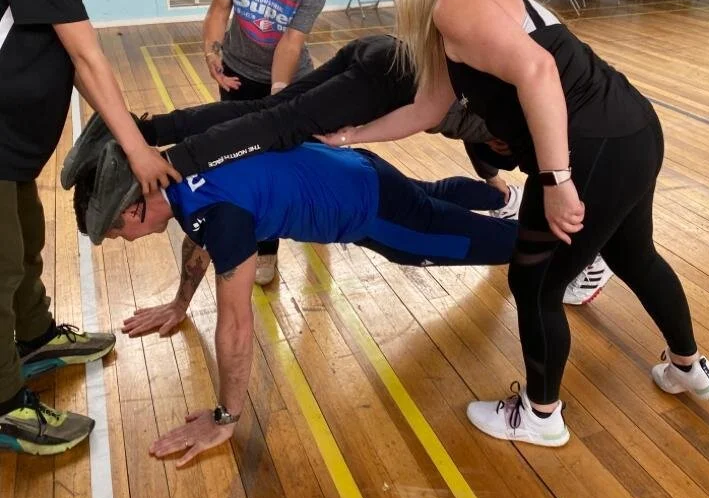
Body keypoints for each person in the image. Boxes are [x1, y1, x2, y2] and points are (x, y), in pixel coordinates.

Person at [317, 0, 709, 448]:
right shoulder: (472, 1)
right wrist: (351, 136)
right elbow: (429, 106)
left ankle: (540, 414)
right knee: (633, 254)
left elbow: (538, 73)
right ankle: (688, 365)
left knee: (535, 284)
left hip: (592, 149)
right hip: (632, 130)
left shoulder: (454, 5)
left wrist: (557, 180)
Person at [62, 34, 614, 303]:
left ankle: (580, 256)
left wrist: (172, 158)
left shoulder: (498, 124)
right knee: (269, 117)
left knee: (274, 120)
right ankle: (145, 128)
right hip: (379, 74)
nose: (124, 239)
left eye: (119, 230)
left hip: (380, 78)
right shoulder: (484, 125)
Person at [73, 139, 520, 465]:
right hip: (356, 168)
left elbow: (235, 328)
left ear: (132, 210)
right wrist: (179, 304)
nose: (123, 241)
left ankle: (569, 242)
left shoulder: (221, 218)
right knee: (429, 198)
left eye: (115, 233)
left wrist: (224, 419)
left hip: (366, 211)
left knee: (478, 244)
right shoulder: (183, 169)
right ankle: (508, 197)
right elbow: (201, 236)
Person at [0, 0, 180, 456]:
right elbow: (86, 53)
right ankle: (3, 406)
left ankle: (36, 338)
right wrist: (135, 147)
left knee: (23, 243)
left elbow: (66, 53)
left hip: (15, 135)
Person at [203, 0, 326, 285]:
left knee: (279, 162)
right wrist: (212, 52)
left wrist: (278, 93)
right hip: (237, 73)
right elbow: (220, 10)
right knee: (239, 158)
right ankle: (245, 237)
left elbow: (291, 43)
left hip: (287, 80)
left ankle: (275, 245)